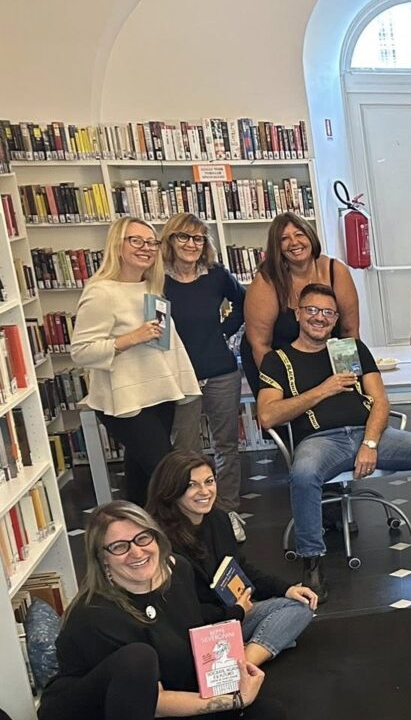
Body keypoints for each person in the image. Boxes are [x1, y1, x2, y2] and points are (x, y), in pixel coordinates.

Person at [34, 503, 285, 720]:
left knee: (268, 715)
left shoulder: (177, 572)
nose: (136, 551)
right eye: (119, 546)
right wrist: (230, 700)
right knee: (139, 659)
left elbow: (194, 641)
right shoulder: (93, 614)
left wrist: (230, 676)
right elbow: (150, 701)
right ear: (102, 558)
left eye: (143, 537)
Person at [255, 282, 411, 601]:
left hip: (370, 434)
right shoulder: (277, 360)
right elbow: (267, 416)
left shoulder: (348, 350)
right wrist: (323, 389)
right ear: (298, 313)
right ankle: (313, 562)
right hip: (320, 441)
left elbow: (380, 402)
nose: (320, 318)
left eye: (328, 313)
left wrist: (370, 443)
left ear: (335, 318)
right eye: (313, 310)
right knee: (303, 474)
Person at [70, 216, 202, 505]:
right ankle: (192, 540)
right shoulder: (101, 291)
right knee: (170, 474)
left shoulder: (151, 287)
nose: (146, 248)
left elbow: (163, 345)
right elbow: (81, 351)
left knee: (143, 477)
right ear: (118, 246)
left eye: (151, 242)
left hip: (159, 392)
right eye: (136, 241)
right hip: (126, 401)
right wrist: (130, 338)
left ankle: (143, 536)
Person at [146, 451, 317, 666]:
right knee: (283, 628)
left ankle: (243, 659)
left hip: (229, 616)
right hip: (190, 630)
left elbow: (238, 567)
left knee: (300, 606)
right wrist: (236, 611)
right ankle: (248, 656)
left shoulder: (218, 519)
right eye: (192, 485)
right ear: (172, 490)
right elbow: (179, 612)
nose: (205, 491)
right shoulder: (158, 541)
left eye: (209, 481)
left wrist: (286, 589)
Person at [161, 212, 248, 538]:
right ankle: (192, 518)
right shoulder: (157, 279)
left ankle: (227, 513)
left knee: (226, 446)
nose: (191, 244)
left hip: (221, 372)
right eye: (183, 237)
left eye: (198, 238)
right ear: (170, 240)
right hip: (180, 376)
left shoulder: (215, 275)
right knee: (186, 451)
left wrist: (222, 330)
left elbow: (244, 303)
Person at [241, 212, 359, 397]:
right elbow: (259, 343)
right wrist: (285, 391)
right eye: (284, 238)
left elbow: (349, 332)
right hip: (277, 361)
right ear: (277, 247)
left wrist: (354, 380)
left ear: (310, 236)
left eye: (299, 234)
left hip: (323, 357)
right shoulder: (266, 281)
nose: (294, 243)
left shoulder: (336, 271)